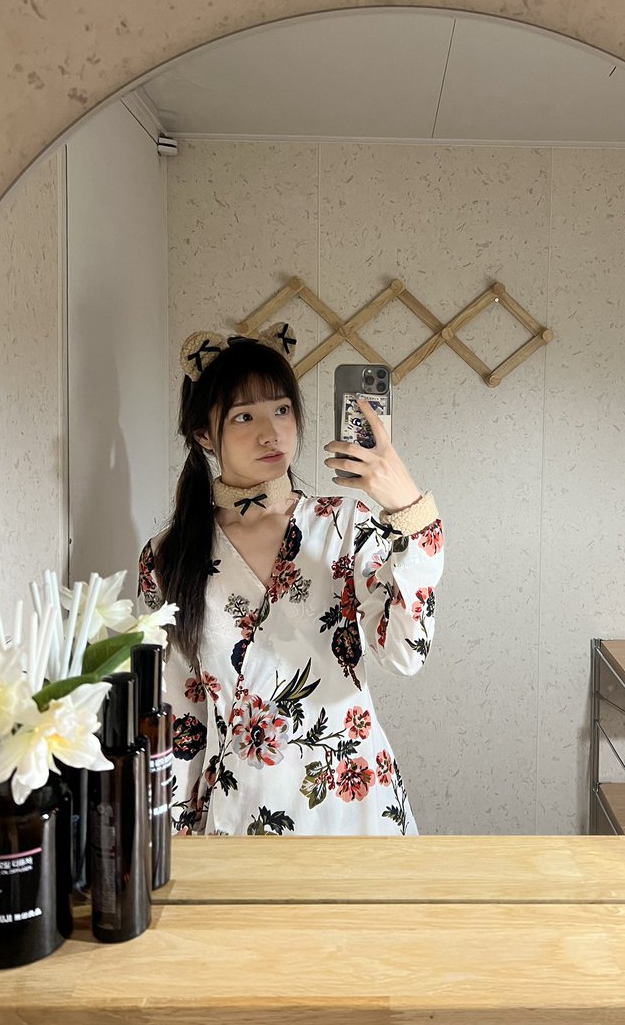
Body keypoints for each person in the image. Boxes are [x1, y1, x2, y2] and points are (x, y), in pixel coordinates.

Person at [137, 325, 444, 836]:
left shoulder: (344, 526)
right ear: (204, 435)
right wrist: (172, 843)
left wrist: (409, 510)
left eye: (282, 409)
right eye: (244, 416)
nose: (271, 432)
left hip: (353, 804)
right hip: (241, 815)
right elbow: (176, 716)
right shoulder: (167, 558)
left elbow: (406, 654)